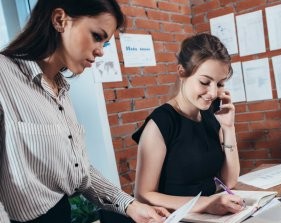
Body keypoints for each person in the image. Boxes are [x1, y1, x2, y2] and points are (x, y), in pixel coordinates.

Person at [0, 0, 170, 222]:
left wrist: (130, 205)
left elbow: (81, 170)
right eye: (97, 36)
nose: (100, 52)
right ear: (60, 20)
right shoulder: (4, 76)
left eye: (105, 43)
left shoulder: (60, 89)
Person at [132, 33, 244, 215]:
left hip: (212, 214)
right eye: (205, 82)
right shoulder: (161, 123)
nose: (213, 93)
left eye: (220, 83)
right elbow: (143, 195)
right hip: (178, 217)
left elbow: (229, 181)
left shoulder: (211, 116)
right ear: (182, 72)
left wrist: (229, 128)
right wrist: (205, 203)